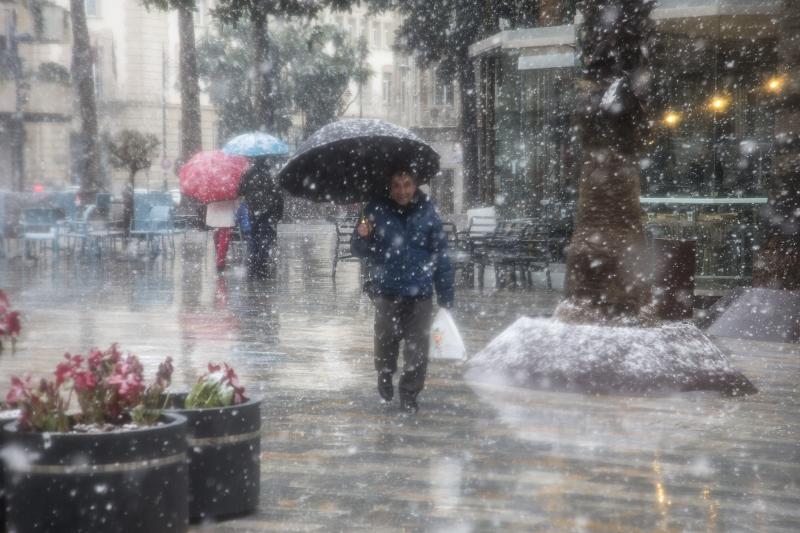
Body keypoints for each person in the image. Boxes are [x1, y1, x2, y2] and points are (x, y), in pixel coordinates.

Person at [351, 170, 454, 413]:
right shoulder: (374, 210)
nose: (402, 191)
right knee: (385, 340)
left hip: (420, 293)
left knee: (418, 347)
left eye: (407, 184)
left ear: (416, 185)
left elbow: (441, 256)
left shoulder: (429, 212)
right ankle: (385, 374)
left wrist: (446, 295)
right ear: (389, 187)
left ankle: (409, 393)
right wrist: (362, 234)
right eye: (396, 185)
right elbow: (358, 250)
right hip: (387, 290)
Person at [237, 157, 284, 278]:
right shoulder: (270, 174)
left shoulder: (248, 173)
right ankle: (261, 264)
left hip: (253, 208)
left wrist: (249, 192)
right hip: (268, 210)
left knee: (254, 235)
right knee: (266, 236)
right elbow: (278, 194)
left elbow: (239, 191)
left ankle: (253, 263)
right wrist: (279, 212)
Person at [205, 200, 237, 273]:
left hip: (215, 216)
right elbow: (236, 204)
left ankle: (220, 258)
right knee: (223, 239)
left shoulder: (210, 190)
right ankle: (220, 261)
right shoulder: (230, 190)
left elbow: (207, 202)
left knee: (218, 237)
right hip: (226, 216)